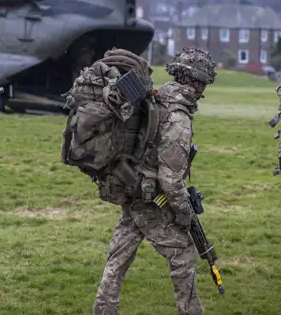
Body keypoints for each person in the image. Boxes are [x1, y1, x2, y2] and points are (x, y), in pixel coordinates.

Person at [93, 47, 217, 315]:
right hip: (151, 198)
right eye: (204, 83)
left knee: (120, 253)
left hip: (133, 189)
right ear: (196, 82)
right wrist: (184, 213)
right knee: (182, 251)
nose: (204, 89)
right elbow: (171, 179)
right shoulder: (178, 117)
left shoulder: (157, 98)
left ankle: (103, 308)